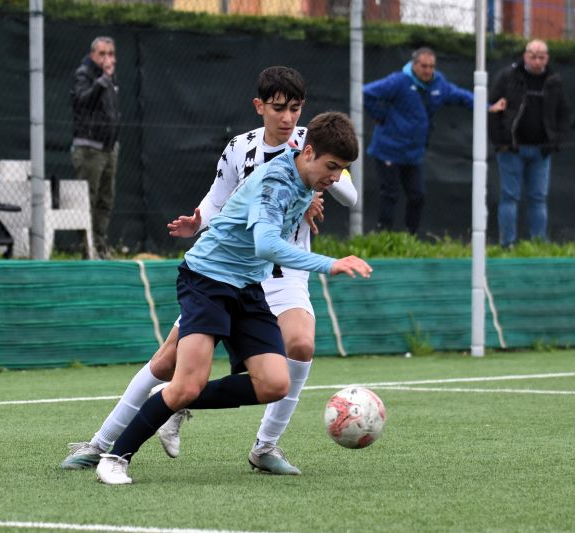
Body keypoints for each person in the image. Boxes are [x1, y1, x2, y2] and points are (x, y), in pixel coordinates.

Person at [61, 66, 358, 476]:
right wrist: (199, 221)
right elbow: (221, 201)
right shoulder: (244, 150)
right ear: (260, 107)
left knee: (296, 352)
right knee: (169, 366)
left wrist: (319, 182)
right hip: (219, 271)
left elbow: (347, 193)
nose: (288, 117)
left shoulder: (315, 143)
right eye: (279, 108)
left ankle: (265, 446)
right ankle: (103, 445)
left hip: (272, 274)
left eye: (295, 108)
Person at [363, 47, 476, 235]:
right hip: (388, 150)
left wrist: (487, 106)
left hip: (413, 153)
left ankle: (411, 237)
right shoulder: (398, 81)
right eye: (424, 66)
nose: (428, 70)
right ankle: (383, 236)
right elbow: (366, 93)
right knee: (390, 194)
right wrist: (382, 117)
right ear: (414, 65)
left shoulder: (438, 83)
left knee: (417, 196)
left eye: (431, 66)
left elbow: (460, 96)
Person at [489, 39, 569, 248]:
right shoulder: (508, 76)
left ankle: (538, 245)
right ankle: (507, 244)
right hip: (511, 149)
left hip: (541, 151)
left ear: (547, 58)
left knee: (538, 197)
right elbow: (492, 108)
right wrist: (500, 140)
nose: (536, 61)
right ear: (525, 56)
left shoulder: (554, 80)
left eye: (541, 57)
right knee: (510, 196)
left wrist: (555, 140)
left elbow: (563, 113)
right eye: (532, 56)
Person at [70, 36, 121, 260]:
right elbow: (83, 102)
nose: (107, 59)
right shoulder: (84, 74)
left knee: (106, 200)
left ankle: (100, 246)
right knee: (87, 200)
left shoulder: (110, 78)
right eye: (102, 54)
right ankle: (87, 249)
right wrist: (102, 81)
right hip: (90, 149)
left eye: (111, 54)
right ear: (93, 55)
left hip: (109, 148)